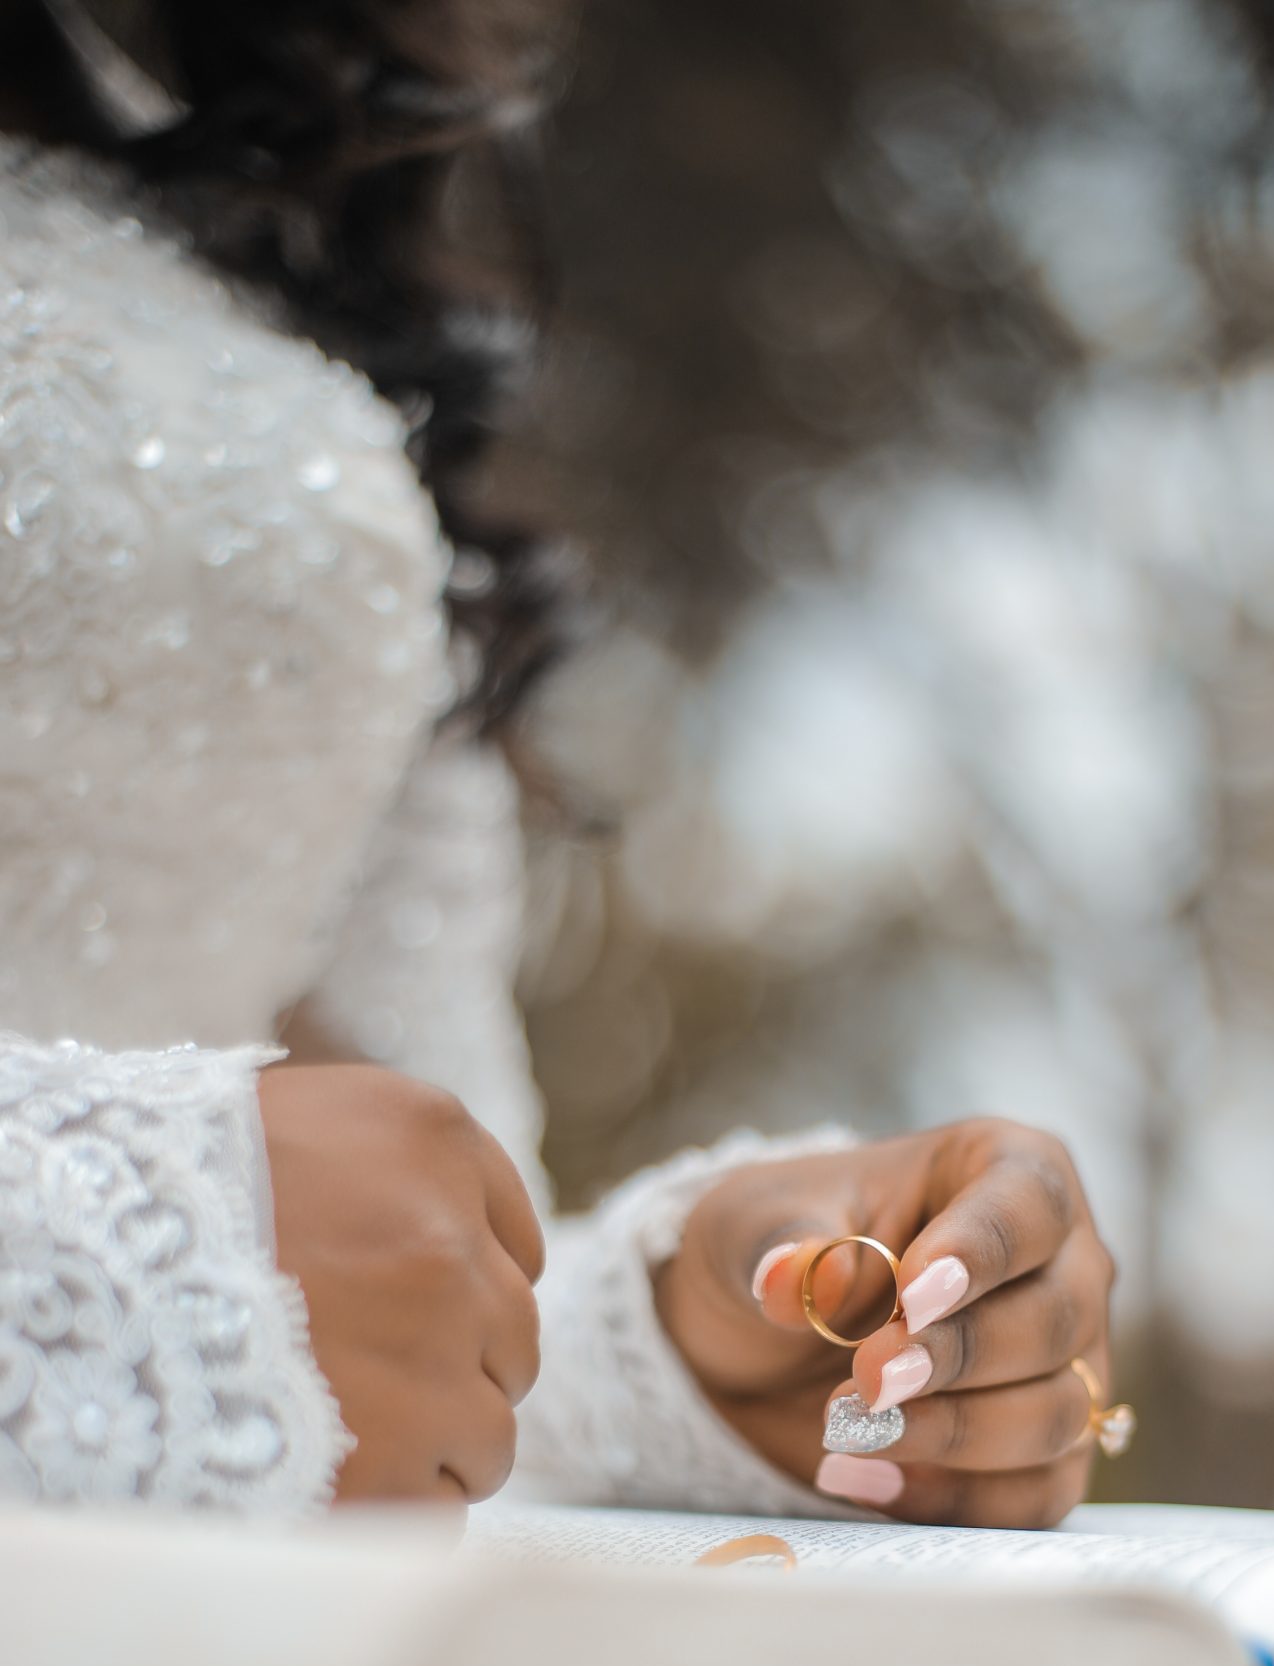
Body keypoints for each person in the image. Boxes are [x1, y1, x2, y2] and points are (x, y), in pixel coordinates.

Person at [0, 0, 1117, 1525]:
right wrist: (114, 1271)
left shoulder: (228, 179)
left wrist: (696, 1339)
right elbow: (251, 1266)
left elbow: (405, 1260)